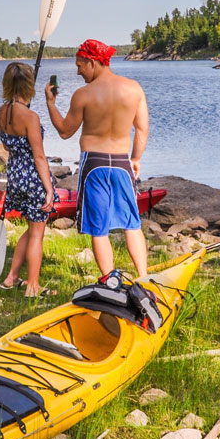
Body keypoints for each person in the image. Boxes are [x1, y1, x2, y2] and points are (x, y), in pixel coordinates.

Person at [45, 39, 149, 278]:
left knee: (99, 228)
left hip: (94, 165)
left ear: (93, 62)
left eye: (80, 65)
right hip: (123, 163)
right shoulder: (134, 89)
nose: (78, 71)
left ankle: (110, 280)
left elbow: (64, 130)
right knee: (132, 224)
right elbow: (142, 130)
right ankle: (143, 277)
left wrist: (51, 104)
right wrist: (136, 158)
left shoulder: (83, 95)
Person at [0, 62, 55, 297]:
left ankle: (11, 278)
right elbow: (39, 156)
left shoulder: (2, 112)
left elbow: (5, 144)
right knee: (37, 233)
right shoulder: (31, 116)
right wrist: (49, 189)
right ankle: (33, 285)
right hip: (33, 177)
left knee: (31, 230)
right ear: (28, 85)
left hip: (15, 175)